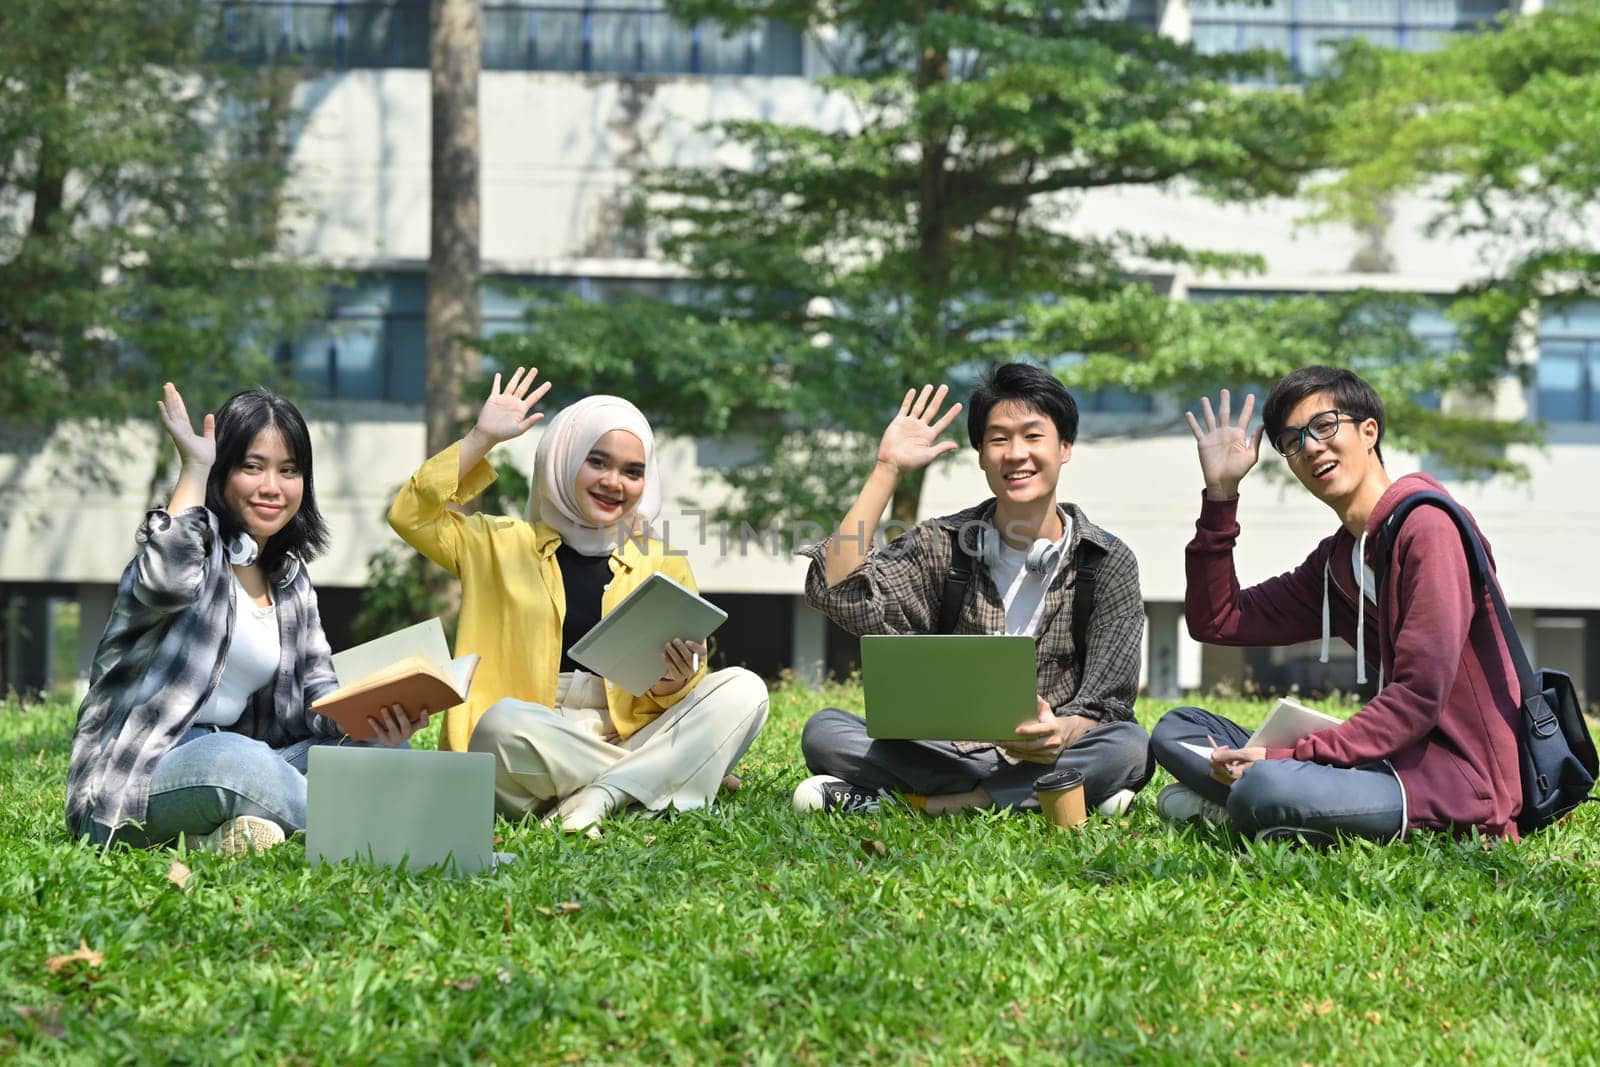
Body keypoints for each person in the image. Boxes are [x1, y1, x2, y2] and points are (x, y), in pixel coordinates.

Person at [388, 367, 769, 835]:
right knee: (500, 723)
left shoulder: (662, 563)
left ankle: (599, 795)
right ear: (564, 460)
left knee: (746, 690)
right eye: (598, 462)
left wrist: (674, 683)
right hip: (535, 737)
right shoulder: (496, 542)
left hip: (628, 730)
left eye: (633, 472)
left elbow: (683, 694)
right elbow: (411, 514)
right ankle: (660, 778)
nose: (615, 482)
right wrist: (482, 437)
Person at [1151, 367, 1524, 843]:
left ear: (1369, 431)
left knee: (1264, 783)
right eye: (1293, 439)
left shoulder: (1428, 528)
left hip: (1458, 783)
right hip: (1384, 761)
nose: (1310, 447)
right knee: (1178, 728)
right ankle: (1275, 807)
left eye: (1325, 426)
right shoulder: (1339, 561)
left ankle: (1259, 807)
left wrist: (1287, 759)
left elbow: (1418, 697)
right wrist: (1221, 496)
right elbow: (1216, 620)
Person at [66, 384, 421, 854]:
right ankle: (409, 840)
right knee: (241, 762)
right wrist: (194, 468)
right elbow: (163, 584)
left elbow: (319, 695)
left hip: (252, 761)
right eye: (252, 467)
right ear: (224, 471)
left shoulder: (290, 577)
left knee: (384, 754)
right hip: (138, 777)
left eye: (288, 471)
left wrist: (370, 719)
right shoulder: (194, 547)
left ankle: (220, 836)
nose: (272, 487)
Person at [793, 363, 1154, 817]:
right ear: (981, 453)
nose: (1016, 453)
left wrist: (1059, 732)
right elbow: (841, 589)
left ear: (1065, 447)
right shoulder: (941, 543)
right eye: (999, 439)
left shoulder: (1106, 561)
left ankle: (938, 804)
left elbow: (1108, 700)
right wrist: (886, 470)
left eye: (1033, 436)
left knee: (1128, 745)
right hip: (944, 746)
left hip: (1049, 750)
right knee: (825, 730)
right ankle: (1053, 795)